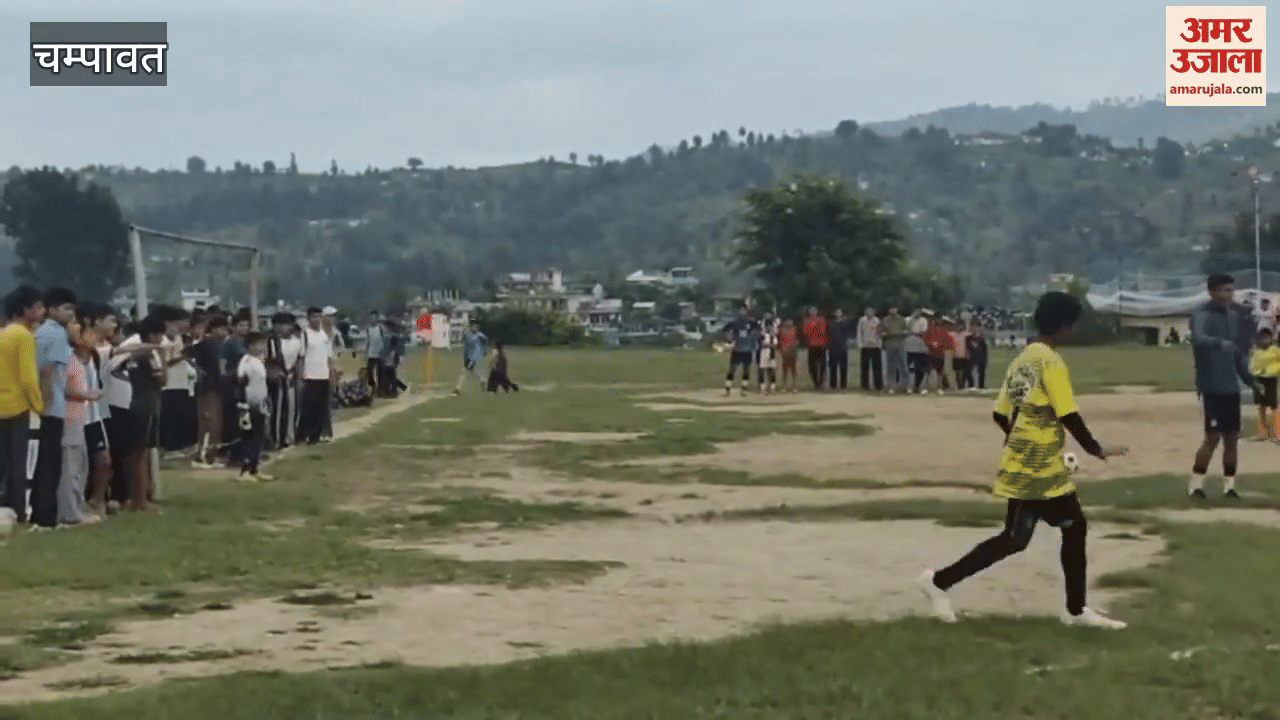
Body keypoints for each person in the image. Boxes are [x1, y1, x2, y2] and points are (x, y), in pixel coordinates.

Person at [917, 291, 1129, 630]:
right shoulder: (1051, 362)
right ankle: (1075, 611)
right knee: (1070, 528)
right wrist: (1094, 448)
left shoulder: (1024, 359)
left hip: (1025, 461)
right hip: (1040, 468)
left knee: (1017, 538)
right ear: (1065, 326)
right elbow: (1068, 413)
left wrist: (1020, 439)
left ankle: (940, 582)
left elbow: (1000, 413)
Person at [1188, 273, 1259, 499]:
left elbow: (1238, 354)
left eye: (1231, 290)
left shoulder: (1235, 316)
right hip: (1211, 385)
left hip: (1231, 386)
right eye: (1223, 290)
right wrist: (1220, 343)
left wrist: (1250, 381)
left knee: (1232, 438)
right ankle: (1196, 485)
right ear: (1212, 291)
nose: (1228, 294)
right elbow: (1198, 338)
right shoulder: (1202, 313)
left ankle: (1230, 487)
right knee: (1212, 436)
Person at [104, 314, 166, 513]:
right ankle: (140, 500)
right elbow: (162, 380)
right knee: (139, 456)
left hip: (131, 404)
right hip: (145, 405)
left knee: (135, 455)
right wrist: (163, 360)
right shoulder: (149, 354)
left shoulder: (129, 354)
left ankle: (135, 498)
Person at [32, 288, 77, 529]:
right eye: (66, 308)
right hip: (52, 407)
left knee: (40, 463)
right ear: (51, 309)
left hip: (39, 406)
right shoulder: (57, 333)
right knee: (51, 464)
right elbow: (48, 372)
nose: (70, 314)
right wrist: (47, 406)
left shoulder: (40, 332)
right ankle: (47, 519)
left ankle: (38, 514)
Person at [0, 286, 45, 522]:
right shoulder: (24, 336)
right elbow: (28, 378)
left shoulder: (3, 333)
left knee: (3, 463)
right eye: (37, 307)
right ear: (25, 310)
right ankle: (19, 513)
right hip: (18, 408)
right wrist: (39, 406)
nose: (41, 311)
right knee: (20, 464)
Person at [59, 317, 100, 526]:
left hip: (78, 417)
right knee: (71, 468)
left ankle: (75, 508)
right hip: (69, 417)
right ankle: (70, 514)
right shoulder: (66, 357)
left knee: (79, 466)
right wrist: (86, 395)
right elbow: (63, 388)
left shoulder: (77, 358)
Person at [76, 302, 114, 516]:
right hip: (78, 417)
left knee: (104, 461)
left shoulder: (96, 356)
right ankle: (79, 502)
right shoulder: (72, 357)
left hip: (95, 417)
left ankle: (97, 501)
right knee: (79, 465)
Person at [157, 306, 196, 458]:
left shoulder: (179, 337)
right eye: (184, 321)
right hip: (169, 383)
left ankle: (179, 445)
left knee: (180, 414)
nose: (186, 324)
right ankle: (169, 447)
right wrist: (181, 356)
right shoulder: (163, 338)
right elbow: (164, 361)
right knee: (169, 415)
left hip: (181, 381)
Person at [191, 316, 228, 469]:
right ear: (214, 329)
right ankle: (204, 457)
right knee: (210, 424)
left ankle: (211, 456)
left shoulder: (214, 345)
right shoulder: (208, 344)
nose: (225, 332)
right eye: (222, 328)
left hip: (212, 388)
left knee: (214, 423)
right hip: (208, 389)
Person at [235, 332, 273, 482]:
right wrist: (243, 406)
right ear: (251, 346)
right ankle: (245, 470)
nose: (263, 347)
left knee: (259, 437)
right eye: (260, 344)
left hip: (259, 405)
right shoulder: (247, 362)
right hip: (248, 406)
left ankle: (254, 468)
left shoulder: (258, 361)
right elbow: (241, 384)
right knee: (249, 438)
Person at [297, 308, 336, 445]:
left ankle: (316, 436)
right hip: (310, 376)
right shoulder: (305, 335)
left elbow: (329, 358)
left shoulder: (324, 335)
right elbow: (301, 357)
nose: (317, 320)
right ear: (308, 318)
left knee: (321, 408)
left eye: (319, 317)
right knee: (308, 408)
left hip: (323, 375)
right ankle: (302, 435)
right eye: (314, 317)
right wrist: (301, 377)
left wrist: (332, 375)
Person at [265, 312, 302, 451]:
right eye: (281, 324)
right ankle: (275, 439)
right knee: (277, 409)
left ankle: (288, 436)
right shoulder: (272, 341)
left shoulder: (297, 341)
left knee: (290, 408)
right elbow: (270, 360)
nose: (285, 327)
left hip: (290, 378)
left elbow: (298, 360)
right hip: (276, 380)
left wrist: (295, 375)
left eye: (288, 324)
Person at [1249, 327, 1280, 441]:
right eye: (1262, 338)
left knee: (1273, 405)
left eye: (1267, 337)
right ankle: (1262, 430)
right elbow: (1253, 366)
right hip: (1260, 380)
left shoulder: (1275, 350)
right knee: (1262, 405)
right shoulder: (1256, 351)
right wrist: (1256, 374)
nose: (1265, 340)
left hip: (1271, 379)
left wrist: (1273, 370)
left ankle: (1277, 431)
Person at [723, 306, 758, 397]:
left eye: (744, 311)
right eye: (741, 310)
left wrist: (753, 342)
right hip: (737, 350)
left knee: (746, 370)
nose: (742, 313)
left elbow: (758, 331)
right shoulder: (735, 323)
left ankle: (744, 389)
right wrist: (729, 339)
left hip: (747, 350)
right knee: (732, 369)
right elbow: (726, 330)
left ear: (746, 312)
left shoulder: (751, 323)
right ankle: (727, 389)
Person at [454, 322, 488, 395]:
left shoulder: (478, 335)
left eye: (476, 327)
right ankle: (483, 380)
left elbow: (485, 340)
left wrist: (484, 350)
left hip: (472, 357)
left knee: (465, 372)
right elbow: (464, 338)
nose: (474, 328)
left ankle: (458, 388)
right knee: (472, 372)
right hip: (467, 356)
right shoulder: (469, 335)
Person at [923, 314, 953, 395]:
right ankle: (926, 388)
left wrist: (940, 344)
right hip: (930, 353)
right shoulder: (930, 329)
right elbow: (926, 339)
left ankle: (939, 388)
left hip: (940, 353)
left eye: (938, 318)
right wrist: (930, 343)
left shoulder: (944, 330)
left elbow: (948, 342)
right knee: (928, 371)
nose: (937, 320)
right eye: (936, 318)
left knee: (940, 372)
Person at [881, 306, 909, 394]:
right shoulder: (885, 320)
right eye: (890, 309)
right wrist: (885, 334)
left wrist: (901, 333)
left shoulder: (902, 319)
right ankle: (891, 386)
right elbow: (882, 332)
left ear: (897, 309)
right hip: (890, 344)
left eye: (893, 308)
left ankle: (906, 386)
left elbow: (906, 332)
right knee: (890, 366)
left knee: (903, 365)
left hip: (900, 344)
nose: (892, 310)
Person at [855, 307, 882, 392]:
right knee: (864, 367)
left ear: (874, 313)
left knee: (877, 367)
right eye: (867, 312)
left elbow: (879, 333)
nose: (869, 313)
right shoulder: (862, 320)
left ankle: (878, 386)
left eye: (871, 312)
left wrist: (879, 344)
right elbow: (859, 332)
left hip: (875, 346)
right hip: (865, 346)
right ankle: (865, 386)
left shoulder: (877, 321)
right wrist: (860, 344)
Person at [802, 307, 828, 390]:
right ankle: (816, 383)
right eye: (811, 311)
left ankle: (821, 382)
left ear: (817, 311)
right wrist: (815, 328)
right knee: (812, 366)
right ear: (809, 312)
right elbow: (806, 332)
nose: (813, 312)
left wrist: (813, 329)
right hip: (811, 345)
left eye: (814, 310)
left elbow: (822, 331)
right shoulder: (806, 320)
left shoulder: (821, 319)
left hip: (821, 345)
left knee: (822, 365)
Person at [905, 309, 930, 394]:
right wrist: (912, 319)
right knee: (910, 368)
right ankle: (910, 386)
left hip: (920, 347)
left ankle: (917, 386)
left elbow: (923, 332)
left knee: (919, 368)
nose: (917, 313)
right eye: (916, 311)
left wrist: (913, 333)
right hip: (908, 346)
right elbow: (906, 330)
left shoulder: (923, 320)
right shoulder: (907, 319)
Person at [828, 308, 853, 391]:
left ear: (841, 313)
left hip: (842, 348)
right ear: (834, 313)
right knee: (833, 368)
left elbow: (848, 335)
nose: (837, 313)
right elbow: (828, 335)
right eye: (836, 312)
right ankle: (833, 385)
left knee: (843, 368)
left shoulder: (845, 323)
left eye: (839, 312)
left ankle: (843, 385)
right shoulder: (831, 324)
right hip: (833, 348)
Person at [364, 310, 385, 399]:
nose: (373, 319)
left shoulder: (380, 328)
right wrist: (366, 353)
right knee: (369, 373)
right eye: (371, 317)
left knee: (380, 373)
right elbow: (367, 342)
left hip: (380, 354)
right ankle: (373, 388)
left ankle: (380, 390)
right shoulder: (368, 329)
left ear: (377, 318)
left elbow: (384, 339)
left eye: (374, 317)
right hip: (371, 354)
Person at [757, 316, 779, 395]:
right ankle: (762, 387)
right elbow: (762, 343)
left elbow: (775, 344)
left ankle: (772, 387)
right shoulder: (763, 334)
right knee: (762, 369)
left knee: (771, 370)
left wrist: (770, 345)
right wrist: (770, 345)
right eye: (768, 326)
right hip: (764, 352)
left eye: (770, 326)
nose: (769, 327)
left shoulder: (773, 336)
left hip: (771, 352)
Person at [777, 317, 799, 393]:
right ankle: (783, 386)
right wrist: (782, 348)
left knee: (793, 370)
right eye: (787, 321)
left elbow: (797, 340)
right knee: (785, 370)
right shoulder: (781, 330)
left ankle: (794, 386)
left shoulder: (794, 329)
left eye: (790, 321)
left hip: (793, 351)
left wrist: (795, 345)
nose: (789, 322)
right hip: (785, 352)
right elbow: (779, 340)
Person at [967, 319, 989, 391]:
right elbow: (968, 348)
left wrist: (985, 360)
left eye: (977, 326)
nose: (975, 328)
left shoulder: (982, 338)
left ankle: (981, 387)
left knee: (981, 374)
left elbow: (985, 350)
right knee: (971, 373)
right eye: (974, 326)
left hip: (981, 358)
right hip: (972, 358)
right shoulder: (970, 337)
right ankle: (972, 386)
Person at [950, 318, 972, 390]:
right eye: (958, 326)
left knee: (966, 372)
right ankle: (960, 385)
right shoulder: (952, 334)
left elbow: (969, 344)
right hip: (956, 355)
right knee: (957, 372)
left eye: (961, 326)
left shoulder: (966, 334)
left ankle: (970, 385)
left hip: (964, 356)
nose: (959, 327)